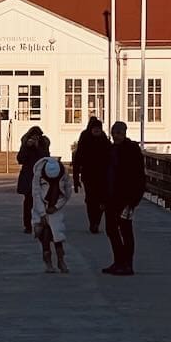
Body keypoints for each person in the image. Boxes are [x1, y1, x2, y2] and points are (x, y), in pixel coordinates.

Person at [103, 121, 144, 276]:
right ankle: (118, 260)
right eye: (114, 133)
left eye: (119, 133)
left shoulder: (132, 150)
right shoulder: (110, 149)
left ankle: (128, 264)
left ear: (124, 133)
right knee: (111, 229)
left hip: (126, 197)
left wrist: (134, 199)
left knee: (125, 230)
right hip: (111, 196)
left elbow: (139, 175)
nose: (116, 136)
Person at [32, 156, 73, 273]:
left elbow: (67, 193)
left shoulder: (63, 173)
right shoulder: (38, 173)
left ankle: (61, 260)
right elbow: (35, 194)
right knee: (44, 234)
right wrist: (42, 213)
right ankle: (48, 262)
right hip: (41, 207)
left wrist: (56, 206)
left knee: (57, 235)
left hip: (55, 208)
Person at [72, 117, 113, 233]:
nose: (96, 131)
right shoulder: (85, 139)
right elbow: (77, 159)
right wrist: (76, 179)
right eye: (94, 129)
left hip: (102, 175)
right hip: (88, 175)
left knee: (101, 200)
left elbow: (111, 156)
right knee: (91, 199)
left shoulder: (104, 140)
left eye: (98, 129)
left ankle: (96, 221)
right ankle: (93, 222)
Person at [16, 126, 47, 233]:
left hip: (40, 176)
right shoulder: (25, 144)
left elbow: (46, 157)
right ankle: (27, 225)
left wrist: (38, 147)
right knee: (28, 201)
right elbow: (20, 159)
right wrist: (26, 147)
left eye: (36, 137)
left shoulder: (43, 143)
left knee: (41, 201)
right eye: (32, 137)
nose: (34, 139)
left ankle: (41, 222)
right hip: (28, 176)